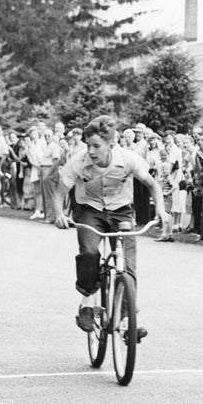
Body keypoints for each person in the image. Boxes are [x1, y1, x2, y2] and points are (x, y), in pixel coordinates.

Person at [52, 115, 169, 336]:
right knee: (89, 252)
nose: (91, 151)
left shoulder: (128, 159)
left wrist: (161, 210)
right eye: (88, 146)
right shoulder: (78, 162)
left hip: (121, 210)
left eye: (96, 146)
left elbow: (153, 185)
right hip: (90, 210)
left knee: (128, 267)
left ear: (111, 145)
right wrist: (59, 214)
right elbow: (59, 193)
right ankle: (87, 303)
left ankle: (126, 319)